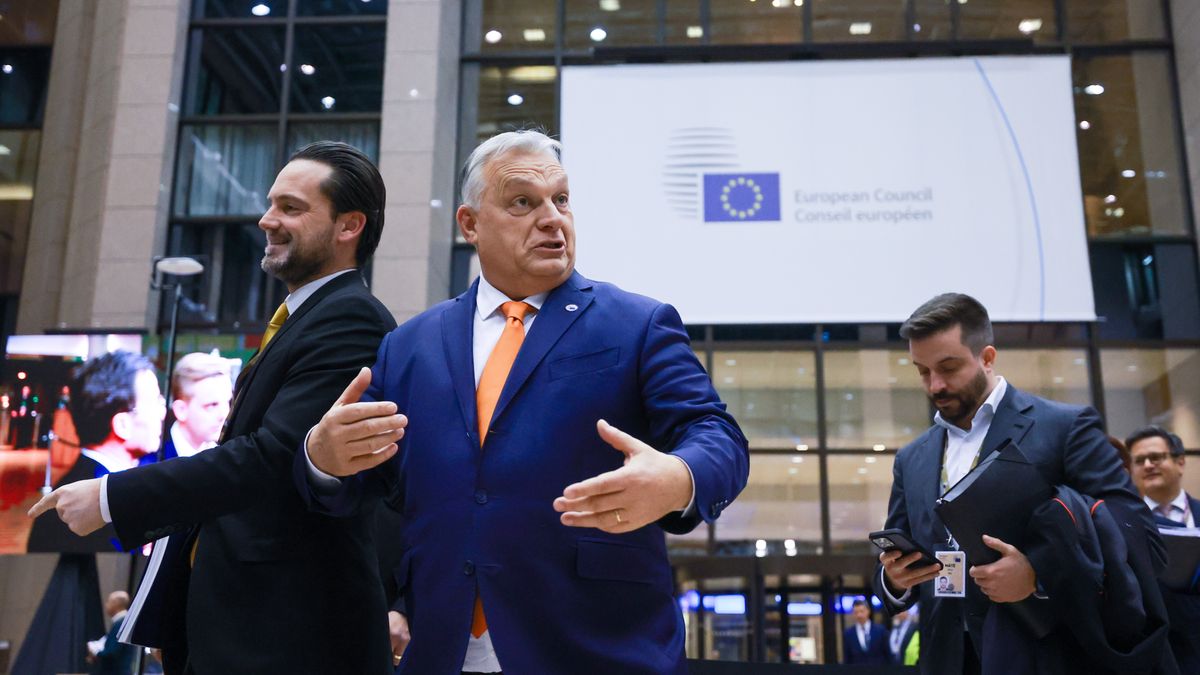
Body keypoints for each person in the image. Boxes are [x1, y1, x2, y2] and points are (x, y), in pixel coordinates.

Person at [300, 129, 750, 673]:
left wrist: (679, 476)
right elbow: (359, 487)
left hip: (596, 650)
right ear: (469, 224)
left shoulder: (638, 323)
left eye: (561, 199)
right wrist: (322, 460)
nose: (552, 218)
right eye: (522, 202)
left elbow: (716, 434)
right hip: (442, 650)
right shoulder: (408, 345)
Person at [29, 141, 398, 674]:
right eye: (271, 203)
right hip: (243, 630)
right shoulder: (305, 318)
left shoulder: (351, 320)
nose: (267, 220)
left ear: (349, 227)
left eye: (292, 208)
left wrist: (113, 496)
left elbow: (269, 460)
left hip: (289, 639)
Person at [873, 292, 1162, 675]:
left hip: (1044, 651)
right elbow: (898, 556)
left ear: (987, 357)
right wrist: (893, 580)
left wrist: (1036, 575)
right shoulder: (912, 458)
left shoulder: (1064, 427)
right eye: (923, 371)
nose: (935, 385)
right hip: (946, 657)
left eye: (948, 367)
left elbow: (1136, 532)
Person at [26, 350, 164, 553]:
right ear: (122, 425)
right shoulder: (87, 504)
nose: (162, 412)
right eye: (155, 402)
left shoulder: (103, 482)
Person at [1127, 425, 1200, 673]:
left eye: (1156, 457)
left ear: (1180, 462)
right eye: (1139, 461)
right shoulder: (1121, 524)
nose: (1148, 465)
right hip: (1157, 653)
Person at [139, 352, 232, 465]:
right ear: (181, 410)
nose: (224, 414)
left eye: (228, 402)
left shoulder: (228, 457)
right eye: (212, 405)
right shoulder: (148, 461)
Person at [87, 591, 135, 675]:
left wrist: (95, 653)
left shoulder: (121, 624)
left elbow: (113, 652)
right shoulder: (123, 622)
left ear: (116, 603)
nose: (106, 605)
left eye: (108, 601)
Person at [842, 598, 889, 664]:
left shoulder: (880, 631)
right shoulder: (848, 634)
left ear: (868, 611)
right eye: (856, 612)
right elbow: (847, 659)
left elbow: (888, 655)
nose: (859, 615)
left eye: (861, 611)